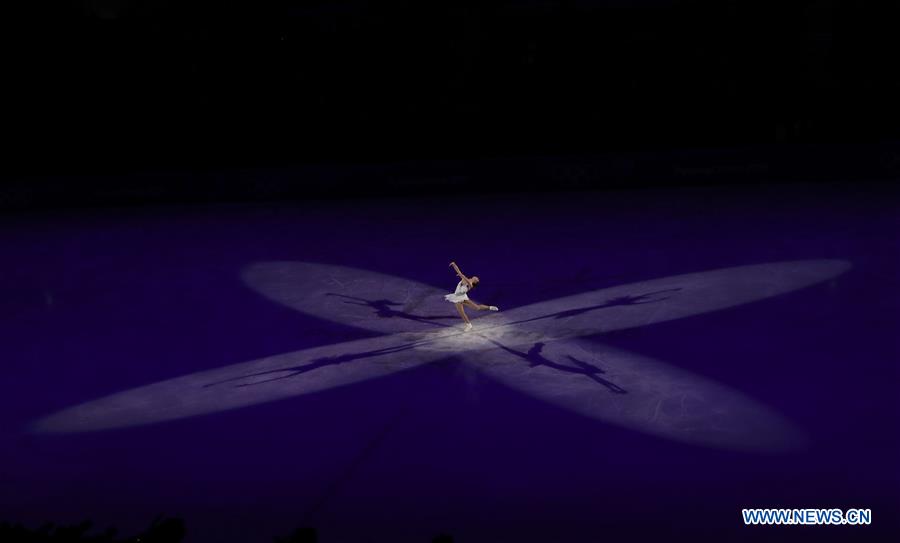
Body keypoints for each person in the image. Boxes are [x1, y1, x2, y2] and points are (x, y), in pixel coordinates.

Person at [445, 261, 499, 331]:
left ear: (475, 282)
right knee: (475, 308)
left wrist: (454, 266)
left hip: (460, 297)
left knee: (473, 309)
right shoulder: (467, 280)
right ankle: (469, 324)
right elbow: (460, 273)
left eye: (477, 279)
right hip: (460, 296)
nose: (477, 278)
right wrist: (456, 267)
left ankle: (489, 308)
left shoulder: (469, 284)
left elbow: (460, 273)